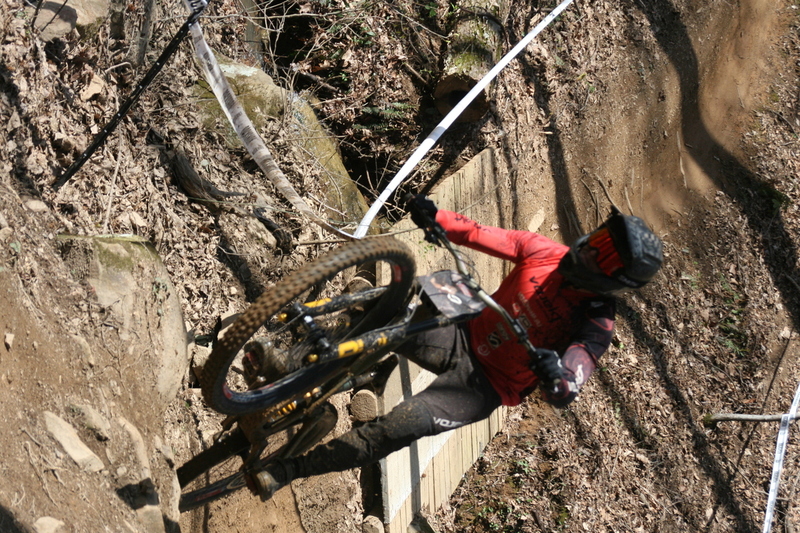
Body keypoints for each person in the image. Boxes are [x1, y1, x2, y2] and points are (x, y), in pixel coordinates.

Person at [253, 195, 663, 498]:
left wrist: (557, 375)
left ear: (614, 280)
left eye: (604, 258)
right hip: (460, 332)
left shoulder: (596, 323)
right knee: (397, 301)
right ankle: (293, 365)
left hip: (483, 386)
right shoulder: (546, 252)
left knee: (401, 426)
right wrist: (436, 217)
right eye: (599, 240)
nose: (590, 250)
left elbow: (575, 373)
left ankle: (289, 470)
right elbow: (479, 233)